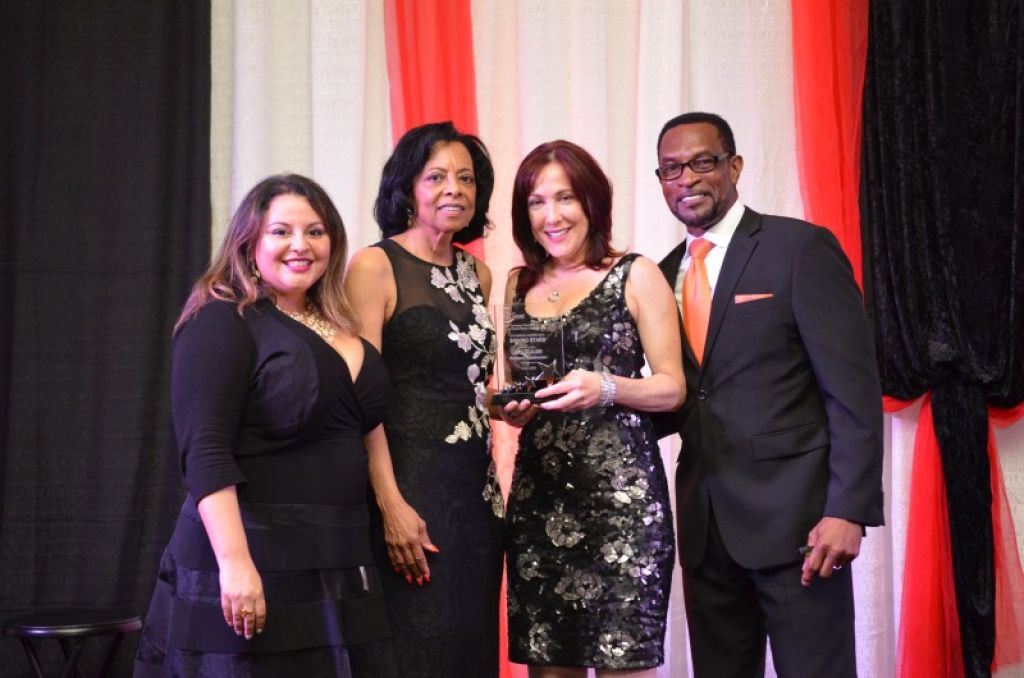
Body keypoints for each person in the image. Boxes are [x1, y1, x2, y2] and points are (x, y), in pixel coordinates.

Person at [134, 174, 396, 677]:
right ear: (249, 242)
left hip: (337, 559)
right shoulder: (221, 319)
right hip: (253, 555)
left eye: (315, 232)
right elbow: (205, 452)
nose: (301, 245)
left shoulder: (340, 325)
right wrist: (235, 563)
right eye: (281, 231)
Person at [653, 112, 884, 678]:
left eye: (702, 162)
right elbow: (678, 397)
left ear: (734, 166)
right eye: (671, 169)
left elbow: (853, 390)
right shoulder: (660, 276)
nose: (687, 179)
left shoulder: (798, 249)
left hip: (800, 526)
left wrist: (847, 510)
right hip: (706, 531)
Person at [499, 140, 685, 678]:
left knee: (623, 665)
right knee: (548, 668)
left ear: (592, 201)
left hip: (621, 507)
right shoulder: (516, 284)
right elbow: (510, 385)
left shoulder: (635, 273)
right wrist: (512, 409)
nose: (551, 216)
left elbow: (672, 389)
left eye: (565, 198)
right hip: (539, 504)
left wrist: (605, 387)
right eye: (536, 202)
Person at [344, 121, 504, 677]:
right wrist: (391, 505)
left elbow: (467, 385)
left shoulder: (479, 273)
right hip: (409, 490)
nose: (454, 188)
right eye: (436, 177)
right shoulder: (374, 267)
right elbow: (360, 399)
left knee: (469, 651)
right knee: (413, 651)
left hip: (477, 499)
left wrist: (509, 403)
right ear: (407, 188)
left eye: (466, 178)